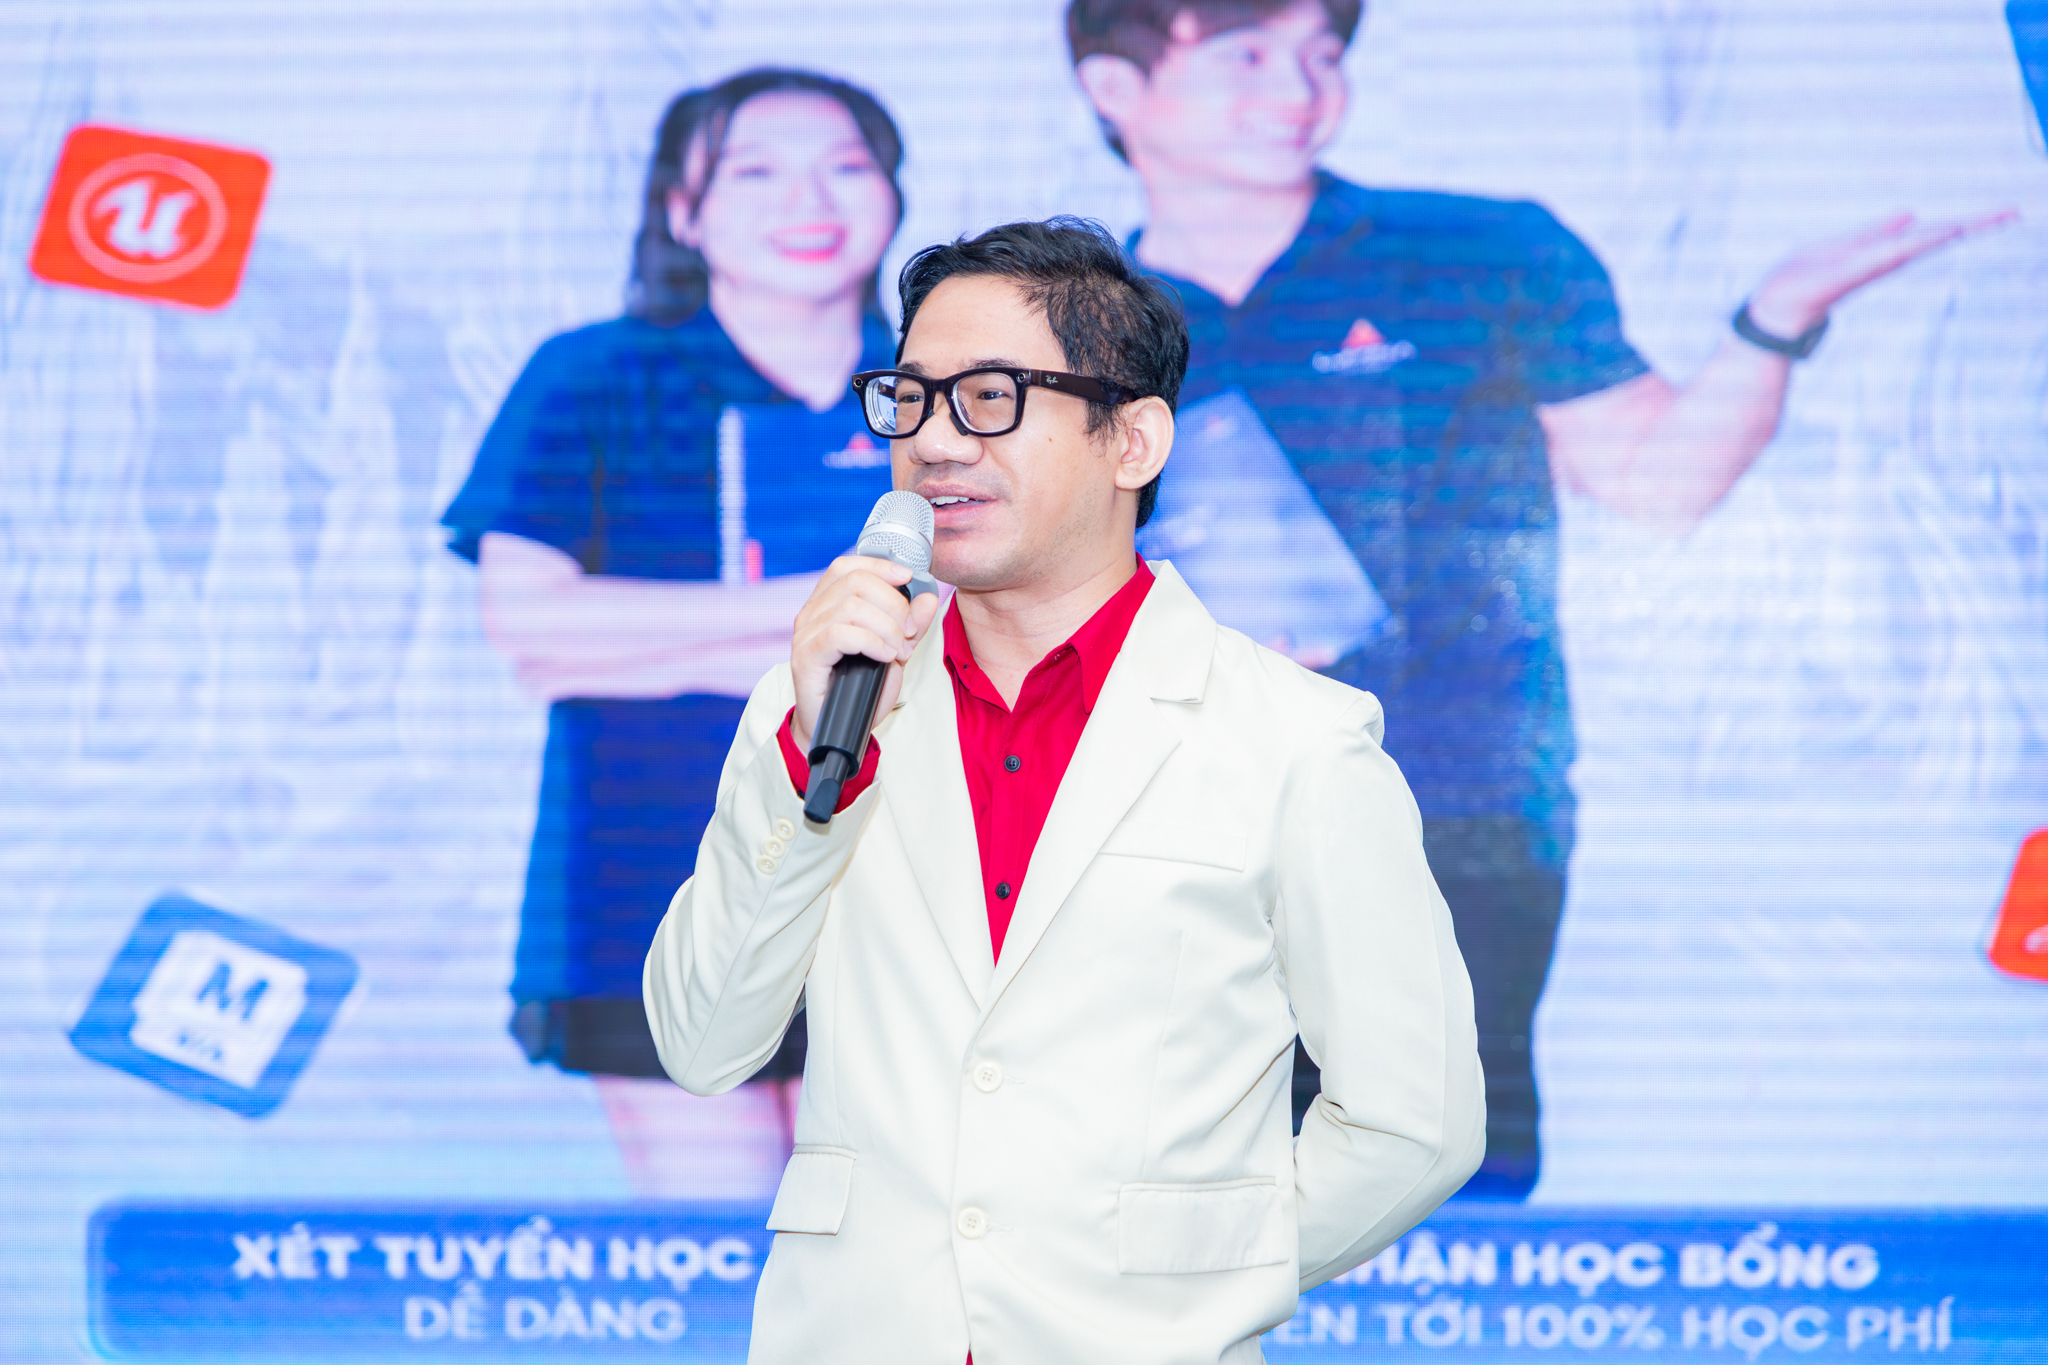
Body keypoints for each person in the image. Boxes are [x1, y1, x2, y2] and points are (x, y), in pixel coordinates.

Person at [1066, 0, 2012, 1197]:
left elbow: (1656, 483)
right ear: (1115, 88)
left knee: (1444, 1168)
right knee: (1181, 1179)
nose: (1298, 87)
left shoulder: (1484, 252)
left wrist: (1773, 322)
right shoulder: (1060, 320)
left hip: (1456, 796)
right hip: (1166, 813)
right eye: (1246, 55)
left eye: (1321, 54)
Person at [643, 218, 1483, 1360]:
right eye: (910, 399)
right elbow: (700, 1041)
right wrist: (806, 760)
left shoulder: (1297, 740)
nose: (935, 442)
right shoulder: (817, 706)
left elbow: (1414, 1122)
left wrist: (1190, 1276)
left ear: (1132, 438)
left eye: (990, 398)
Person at [439, 67, 905, 1189]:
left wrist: (641, 645)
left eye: (847, 168)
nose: (809, 201)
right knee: (720, 1258)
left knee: (889, 1255)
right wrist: (822, 611)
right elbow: (527, 622)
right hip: (652, 870)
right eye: (755, 173)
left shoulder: (949, 389)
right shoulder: (592, 375)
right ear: (683, 211)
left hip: (905, 872)